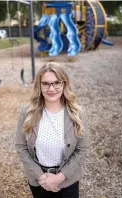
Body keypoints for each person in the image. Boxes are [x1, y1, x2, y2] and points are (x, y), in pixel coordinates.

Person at [15, 62, 89, 198]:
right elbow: (21, 146)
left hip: (67, 180)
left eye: (57, 83)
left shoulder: (77, 113)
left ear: (64, 84)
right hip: (38, 180)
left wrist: (59, 177)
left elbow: (82, 150)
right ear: (39, 85)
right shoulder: (27, 112)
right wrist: (40, 176)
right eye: (46, 83)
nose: (51, 88)